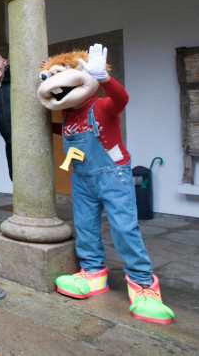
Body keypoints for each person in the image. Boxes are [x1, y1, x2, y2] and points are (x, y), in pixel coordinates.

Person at [38, 44, 173, 323]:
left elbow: (121, 100)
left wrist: (104, 79)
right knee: (85, 227)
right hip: (82, 178)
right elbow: (60, 129)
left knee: (124, 228)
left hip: (113, 174)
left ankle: (144, 285)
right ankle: (93, 273)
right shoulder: (67, 114)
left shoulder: (101, 105)